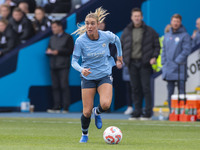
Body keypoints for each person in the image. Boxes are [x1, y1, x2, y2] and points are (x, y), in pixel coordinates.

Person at [71, 7, 123, 143]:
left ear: (98, 24)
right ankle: (85, 135)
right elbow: (74, 62)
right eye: (87, 23)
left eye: (92, 23)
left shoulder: (106, 35)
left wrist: (119, 56)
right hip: (88, 77)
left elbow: (117, 40)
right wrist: (81, 69)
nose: (89, 26)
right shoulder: (80, 41)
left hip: (104, 75)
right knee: (86, 112)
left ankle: (97, 112)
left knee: (105, 104)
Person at [121, 8, 160, 120]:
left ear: (142, 17)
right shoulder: (127, 31)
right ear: (131, 17)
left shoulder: (150, 31)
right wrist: (121, 58)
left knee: (146, 88)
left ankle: (147, 112)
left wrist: (154, 57)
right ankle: (137, 112)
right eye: (135, 16)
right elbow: (121, 46)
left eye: (138, 16)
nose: (137, 18)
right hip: (132, 63)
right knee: (135, 88)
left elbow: (157, 46)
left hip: (145, 64)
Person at [161, 14, 191, 111]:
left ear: (180, 23)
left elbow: (186, 50)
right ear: (171, 22)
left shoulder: (185, 35)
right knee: (170, 92)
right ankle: (171, 112)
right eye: (174, 21)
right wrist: (164, 63)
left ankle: (181, 112)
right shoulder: (166, 36)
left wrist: (176, 62)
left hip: (179, 69)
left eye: (177, 21)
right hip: (169, 69)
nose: (176, 23)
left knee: (181, 92)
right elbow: (164, 51)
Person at [46, 20, 74, 113]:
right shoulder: (52, 38)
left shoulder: (68, 37)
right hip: (53, 65)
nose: (52, 29)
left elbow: (70, 51)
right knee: (55, 86)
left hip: (64, 65)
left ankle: (66, 107)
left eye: (54, 27)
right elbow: (49, 48)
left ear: (60, 27)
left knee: (64, 85)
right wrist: (49, 51)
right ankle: (56, 106)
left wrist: (58, 52)